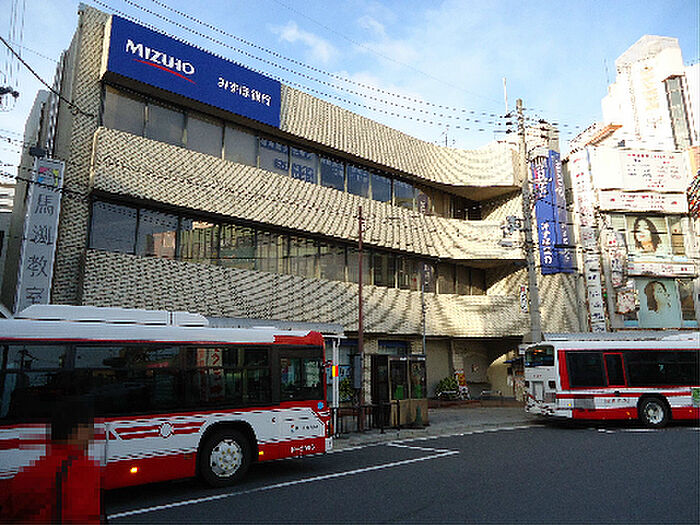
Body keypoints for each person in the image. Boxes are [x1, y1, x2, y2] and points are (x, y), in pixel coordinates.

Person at [0, 397, 103, 523]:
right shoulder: (84, 471)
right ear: (79, 430)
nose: (92, 436)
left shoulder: (24, 477)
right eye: (91, 429)